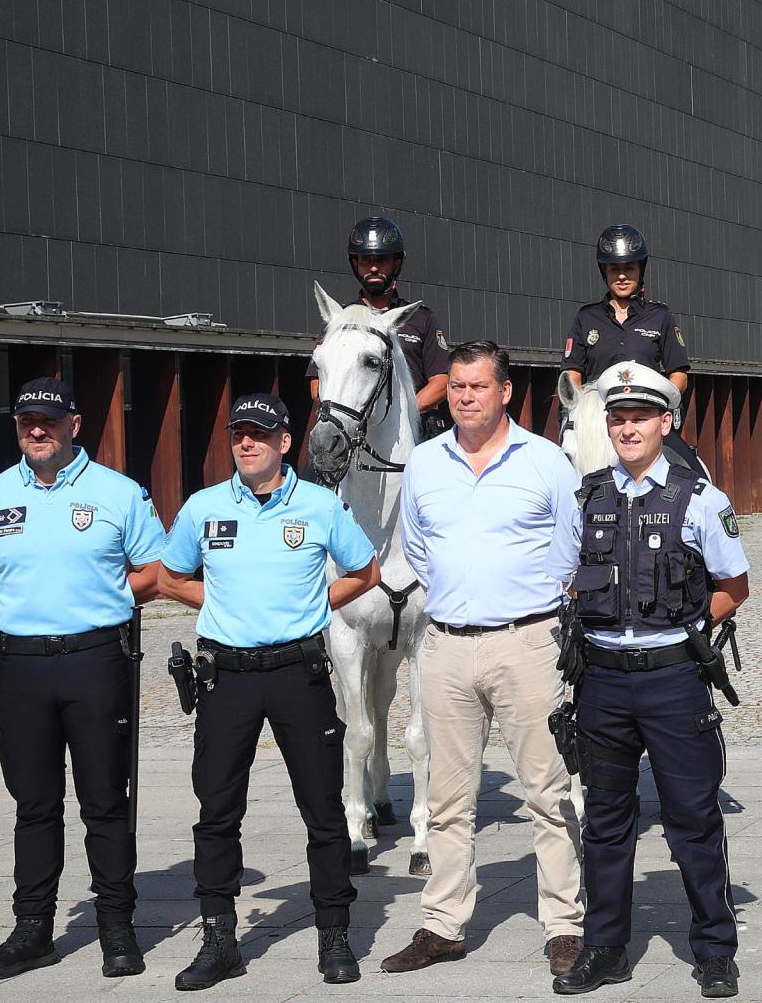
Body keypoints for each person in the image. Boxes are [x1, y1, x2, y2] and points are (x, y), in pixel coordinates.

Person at [158, 394, 381, 989]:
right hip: (226, 676)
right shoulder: (204, 506)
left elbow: (366, 572)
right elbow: (169, 576)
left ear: (286, 442)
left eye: (260, 434)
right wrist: (222, 606)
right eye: (238, 434)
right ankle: (218, 936)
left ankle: (334, 933)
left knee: (323, 810)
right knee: (217, 810)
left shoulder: (319, 505)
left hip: (297, 673)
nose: (246, 443)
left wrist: (313, 608)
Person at [381, 341, 585, 979]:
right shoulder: (424, 462)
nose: (465, 397)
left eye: (478, 387)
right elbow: (416, 544)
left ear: (505, 393)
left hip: (527, 644)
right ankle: (443, 924)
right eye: (458, 387)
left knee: (548, 792)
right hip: (444, 647)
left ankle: (564, 923)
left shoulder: (547, 461)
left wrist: (530, 608)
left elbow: (570, 548)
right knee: (446, 798)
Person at [555, 362, 751, 999]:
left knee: (692, 819)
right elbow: (562, 579)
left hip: (671, 679)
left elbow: (734, 587)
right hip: (603, 683)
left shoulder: (700, 498)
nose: (628, 427)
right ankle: (605, 948)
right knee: (605, 823)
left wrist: (693, 632)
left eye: (641, 416)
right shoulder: (582, 497)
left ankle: (715, 951)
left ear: (667, 423)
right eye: (618, 417)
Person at [0, 377, 166, 980]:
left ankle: (116, 929)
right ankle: (33, 930)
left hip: (96, 660)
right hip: (22, 664)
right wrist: (30, 599)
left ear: (75, 425)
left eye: (49, 420)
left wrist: (92, 596)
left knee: (104, 801)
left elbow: (154, 573)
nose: (37, 430)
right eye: (27, 420)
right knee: (34, 804)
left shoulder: (117, 492)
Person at [561, 224, 707, 475]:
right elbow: (572, 374)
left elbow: (679, 375)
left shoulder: (660, 316)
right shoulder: (586, 318)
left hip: (647, 414)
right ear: (604, 272)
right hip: (599, 421)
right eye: (614, 269)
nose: (621, 275)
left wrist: (658, 403)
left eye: (629, 267)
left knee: (693, 470)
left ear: (641, 269)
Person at [309, 215, 454, 439]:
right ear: (355, 265)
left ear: (396, 263)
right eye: (366, 260)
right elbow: (317, 383)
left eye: (382, 260)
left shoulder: (421, 319)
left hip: (414, 431)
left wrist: (400, 413)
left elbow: (441, 381)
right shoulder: (339, 321)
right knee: (314, 471)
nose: (374, 267)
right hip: (351, 430)